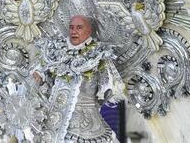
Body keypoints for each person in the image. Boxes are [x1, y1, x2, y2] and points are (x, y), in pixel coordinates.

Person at [32, 15, 124, 143]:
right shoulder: (56, 51)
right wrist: (40, 79)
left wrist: (90, 102)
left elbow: (109, 90)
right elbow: (45, 80)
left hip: (87, 124)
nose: (74, 31)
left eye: (79, 28)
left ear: (89, 31)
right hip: (53, 121)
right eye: (71, 27)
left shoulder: (100, 54)